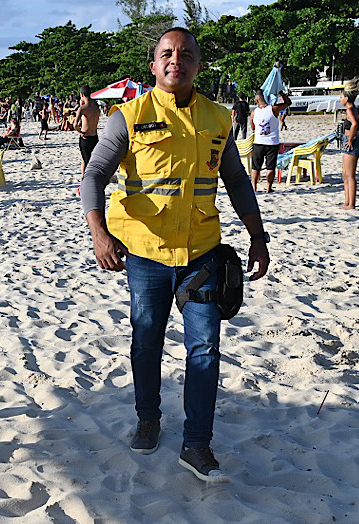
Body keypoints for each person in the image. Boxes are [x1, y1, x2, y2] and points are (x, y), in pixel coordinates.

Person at [80, 27, 271, 483]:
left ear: (198, 65)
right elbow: (93, 176)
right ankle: (149, 417)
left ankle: (197, 444)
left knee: (204, 346)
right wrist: (98, 233)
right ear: (154, 65)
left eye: (185, 54)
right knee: (147, 339)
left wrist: (258, 236)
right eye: (166, 53)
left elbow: (238, 182)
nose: (175, 61)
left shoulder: (218, 118)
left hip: (202, 253)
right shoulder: (127, 116)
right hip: (144, 254)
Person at [249, 89, 291, 193]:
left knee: (255, 167)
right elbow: (288, 103)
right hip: (272, 143)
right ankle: (268, 188)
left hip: (258, 142)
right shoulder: (274, 109)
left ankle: (254, 187)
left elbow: (253, 127)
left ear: (258, 100)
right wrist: (281, 93)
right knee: (270, 167)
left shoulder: (254, 112)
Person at [339, 90, 359, 209]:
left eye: (341, 97)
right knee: (345, 174)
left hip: (351, 141)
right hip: (352, 140)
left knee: (349, 175)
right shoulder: (354, 108)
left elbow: (354, 124)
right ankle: (347, 201)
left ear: (347, 98)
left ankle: (351, 204)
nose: (340, 99)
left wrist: (350, 139)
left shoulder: (350, 109)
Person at [73, 86, 101, 174]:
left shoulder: (82, 108)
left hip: (85, 136)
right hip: (95, 136)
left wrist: (80, 132)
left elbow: (75, 124)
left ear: (82, 95)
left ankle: (84, 179)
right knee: (92, 159)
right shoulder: (96, 107)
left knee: (86, 160)